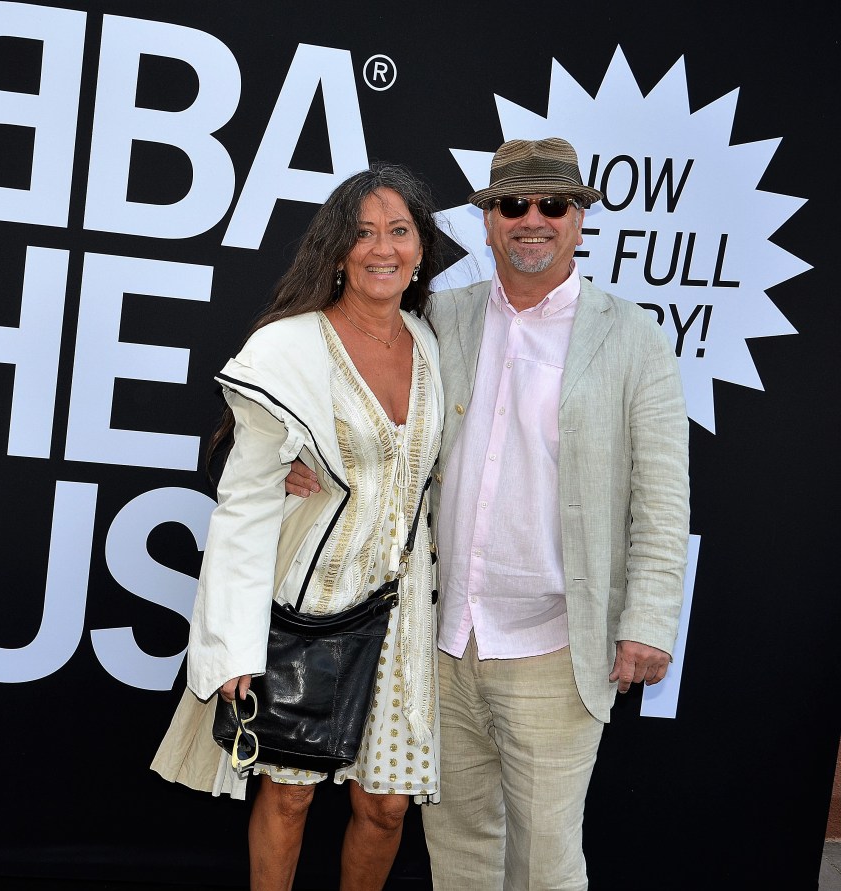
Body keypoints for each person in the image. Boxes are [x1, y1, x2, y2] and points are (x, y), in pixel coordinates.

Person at [284, 137, 690, 890]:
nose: (532, 219)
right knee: (460, 854)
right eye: (512, 205)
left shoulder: (632, 337)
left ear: (578, 220)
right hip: (438, 639)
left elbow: (663, 498)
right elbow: (358, 397)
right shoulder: (441, 317)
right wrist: (301, 457)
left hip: (554, 646)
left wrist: (649, 621)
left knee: (545, 865)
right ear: (489, 220)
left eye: (552, 205)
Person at [151, 162, 450, 891]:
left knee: (386, 806)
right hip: (312, 601)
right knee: (289, 794)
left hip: (403, 609)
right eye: (363, 232)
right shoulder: (286, 349)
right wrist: (232, 643)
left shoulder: (431, 342)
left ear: (420, 248)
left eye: (399, 231)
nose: (382, 248)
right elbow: (245, 503)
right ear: (337, 250)